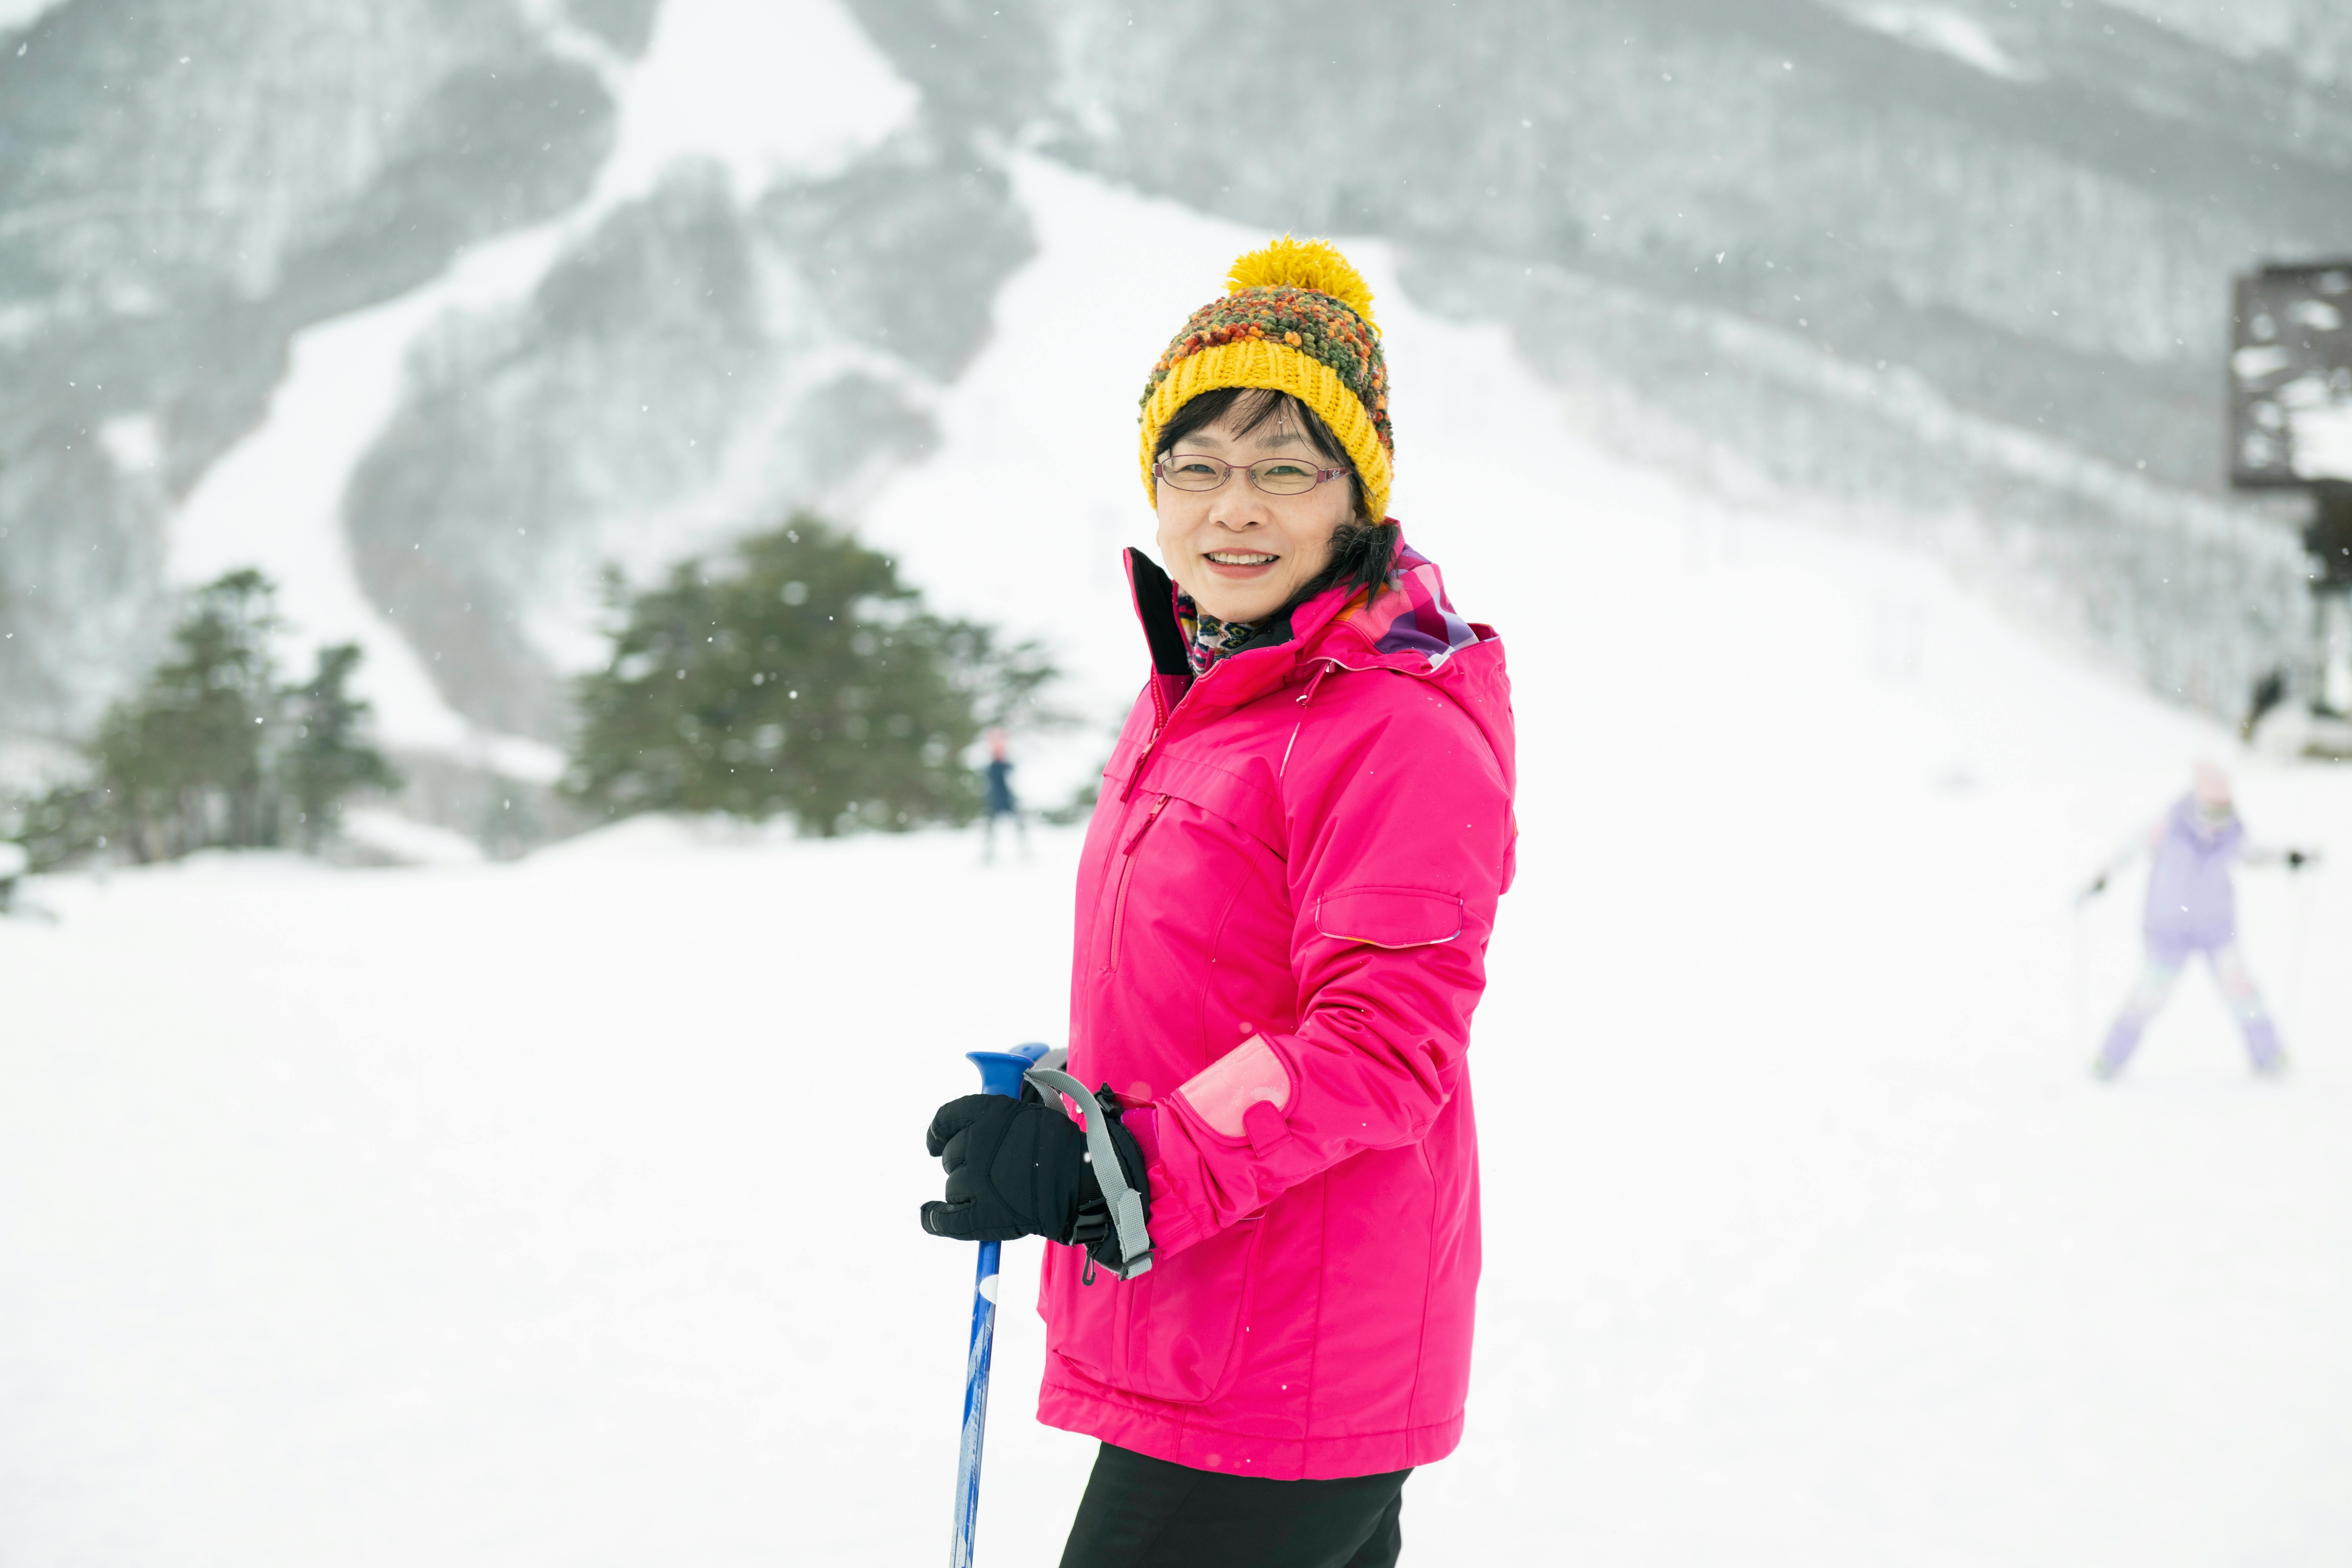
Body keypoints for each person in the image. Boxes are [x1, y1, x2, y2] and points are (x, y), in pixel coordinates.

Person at [918, 238, 1516, 1566]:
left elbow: (1382, 1041)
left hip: (1292, 1344)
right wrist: (1073, 1113)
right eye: (1195, 467)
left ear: (1354, 500)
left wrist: (1121, 1164)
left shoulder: (1392, 729)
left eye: (1284, 470)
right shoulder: (1202, 698)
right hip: (1213, 1317)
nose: (1231, 508)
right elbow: (1223, 995)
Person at [2080, 761, 2314, 1079]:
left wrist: (2289, 856)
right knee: (2148, 996)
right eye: (2212, 806)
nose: (2217, 815)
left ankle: (2269, 1058)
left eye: (2223, 806)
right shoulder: (2167, 826)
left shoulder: (2233, 832)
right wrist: (2102, 876)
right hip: (2167, 932)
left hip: (2216, 930)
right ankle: (2109, 1060)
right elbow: (2128, 848)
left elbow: (2253, 854)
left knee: (2243, 992)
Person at [980, 728, 1026, 863]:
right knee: (991, 830)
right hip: (995, 801)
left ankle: (1025, 851)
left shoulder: (1008, 766)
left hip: (1009, 800)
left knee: (1019, 828)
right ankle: (988, 854)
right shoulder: (992, 767)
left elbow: (1015, 783)